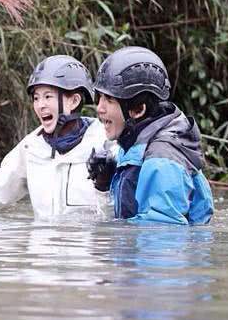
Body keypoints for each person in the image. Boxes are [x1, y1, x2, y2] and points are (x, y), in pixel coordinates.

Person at [0, 55, 110, 219]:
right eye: (36, 98)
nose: (40, 105)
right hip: (42, 250)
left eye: (48, 96)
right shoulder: (31, 147)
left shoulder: (106, 142)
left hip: (88, 252)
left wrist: (104, 182)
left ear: (74, 101)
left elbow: (122, 214)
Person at [87, 46, 214, 225]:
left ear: (138, 109)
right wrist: (105, 184)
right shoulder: (133, 143)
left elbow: (160, 239)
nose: (99, 108)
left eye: (109, 100)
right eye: (99, 98)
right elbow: (126, 214)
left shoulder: (162, 161)